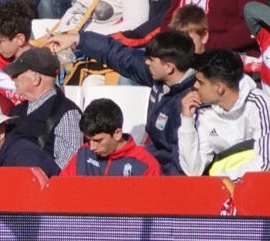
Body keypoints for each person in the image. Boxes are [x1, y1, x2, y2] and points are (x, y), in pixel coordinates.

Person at [179, 49, 270, 178]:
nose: (195, 86)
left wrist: (223, 181)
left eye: (201, 82)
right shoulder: (203, 112)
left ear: (220, 88)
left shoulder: (259, 104)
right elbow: (193, 171)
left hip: (258, 191)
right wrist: (187, 121)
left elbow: (264, 164)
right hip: (219, 191)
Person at [66, 97, 162, 176]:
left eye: (98, 140)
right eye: (88, 140)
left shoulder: (145, 165)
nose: (92, 147)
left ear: (117, 134)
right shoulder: (84, 154)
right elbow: (63, 188)